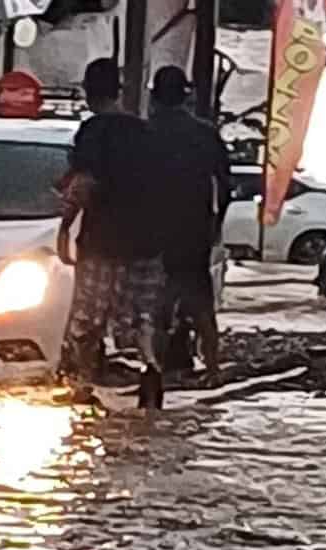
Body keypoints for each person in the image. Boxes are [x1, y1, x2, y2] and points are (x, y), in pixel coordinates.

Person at [56, 58, 166, 408]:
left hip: (102, 242)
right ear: (118, 91)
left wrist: (64, 229)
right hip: (147, 242)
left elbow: (82, 185)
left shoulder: (93, 132)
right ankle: (151, 371)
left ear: (89, 93)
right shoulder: (146, 132)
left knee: (89, 317)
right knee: (140, 316)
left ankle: (83, 384)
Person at [147, 65, 231, 380]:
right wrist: (215, 224)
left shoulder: (146, 133)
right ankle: (213, 370)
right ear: (187, 97)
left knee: (158, 308)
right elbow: (225, 186)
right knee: (202, 307)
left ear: (154, 97)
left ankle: (153, 371)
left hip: (153, 233)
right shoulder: (206, 134)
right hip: (195, 231)